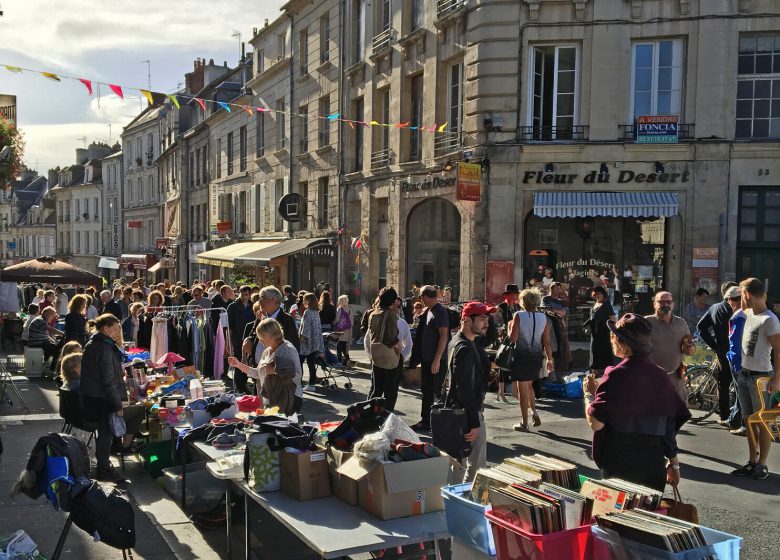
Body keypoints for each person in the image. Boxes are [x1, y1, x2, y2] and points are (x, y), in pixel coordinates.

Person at [584, 314, 690, 491]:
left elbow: (596, 423)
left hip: (619, 459)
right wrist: (674, 464)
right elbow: (668, 427)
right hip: (652, 460)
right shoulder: (659, 375)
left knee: (616, 515)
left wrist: (589, 395)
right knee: (649, 514)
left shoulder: (616, 375)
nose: (611, 340)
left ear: (621, 343)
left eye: (614, 336)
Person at [731, 278, 780, 480]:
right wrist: (744, 301)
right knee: (748, 420)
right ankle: (752, 460)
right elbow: (736, 315)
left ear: (748, 294)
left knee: (762, 422)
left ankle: (762, 464)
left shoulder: (770, 320)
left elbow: (779, 351)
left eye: (742, 294)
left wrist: (776, 378)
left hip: (761, 377)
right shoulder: (748, 313)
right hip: (743, 374)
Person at [79, 314, 130, 481]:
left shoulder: (94, 343)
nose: (118, 331)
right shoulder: (104, 348)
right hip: (101, 400)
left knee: (105, 434)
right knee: (106, 435)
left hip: (93, 397)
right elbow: (108, 381)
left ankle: (104, 465)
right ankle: (103, 468)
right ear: (106, 328)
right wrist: (118, 405)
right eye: (115, 328)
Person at [448, 301, 494, 481]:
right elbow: (464, 386)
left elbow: (490, 334)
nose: (487, 323)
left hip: (462, 411)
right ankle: (466, 502)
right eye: (483, 319)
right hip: (467, 413)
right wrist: (474, 421)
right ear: (467, 320)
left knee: (459, 464)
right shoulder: (464, 348)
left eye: (487, 319)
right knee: (476, 467)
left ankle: (455, 500)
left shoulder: (464, 341)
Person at [229, 318, 303, 414]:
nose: (260, 340)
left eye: (262, 336)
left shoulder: (288, 349)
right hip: (271, 401)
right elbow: (257, 373)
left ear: (272, 335)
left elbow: (298, 375)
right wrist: (238, 365)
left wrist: (275, 371)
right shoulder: (267, 351)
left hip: (288, 400)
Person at [509, 288, 553, 432]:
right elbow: (546, 341)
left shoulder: (519, 315)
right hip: (536, 355)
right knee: (529, 386)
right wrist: (550, 359)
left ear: (523, 301)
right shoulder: (544, 318)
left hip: (521, 355)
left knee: (522, 390)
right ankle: (534, 412)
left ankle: (524, 422)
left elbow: (513, 338)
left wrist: (510, 328)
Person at [697, 282, 740, 425]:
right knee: (739, 384)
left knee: (723, 384)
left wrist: (714, 345)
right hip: (737, 352)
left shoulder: (714, 308)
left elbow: (701, 327)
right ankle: (736, 417)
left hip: (722, 351)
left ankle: (724, 414)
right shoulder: (738, 310)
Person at [411, 285, 450, 432]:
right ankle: (426, 421)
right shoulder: (428, 310)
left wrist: (437, 360)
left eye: (421, 297)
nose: (420, 300)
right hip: (428, 360)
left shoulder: (440, 312)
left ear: (426, 296)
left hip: (436, 361)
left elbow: (444, 336)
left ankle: (442, 423)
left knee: (438, 392)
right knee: (426, 391)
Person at [646, 291, 694, 401]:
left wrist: (690, 348)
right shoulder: (646, 322)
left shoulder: (681, 323)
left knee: (677, 414)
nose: (665, 305)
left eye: (668, 302)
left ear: (673, 304)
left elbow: (688, 345)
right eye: (661, 302)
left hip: (675, 379)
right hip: (652, 379)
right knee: (655, 414)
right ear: (654, 304)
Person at [365, 288, 402, 410]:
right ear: (392, 301)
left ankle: (369, 414)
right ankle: (386, 417)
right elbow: (392, 337)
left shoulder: (372, 313)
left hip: (376, 354)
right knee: (390, 392)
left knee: (376, 389)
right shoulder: (391, 315)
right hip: (389, 356)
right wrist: (399, 348)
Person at [227, 286, 256, 394]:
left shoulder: (252, 306)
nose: (244, 296)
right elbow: (229, 326)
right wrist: (228, 341)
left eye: (247, 294)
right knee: (238, 360)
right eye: (243, 294)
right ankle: (239, 386)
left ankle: (244, 383)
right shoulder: (233, 307)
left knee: (248, 360)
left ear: (250, 294)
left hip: (249, 338)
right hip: (237, 338)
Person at [496, 284, 521, 403]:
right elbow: (497, 321)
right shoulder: (502, 307)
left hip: (514, 335)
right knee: (503, 362)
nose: (516, 295)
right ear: (509, 294)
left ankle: (512, 391)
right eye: (515, 293)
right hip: (505, 337)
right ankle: (502, 390)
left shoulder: (517, 306)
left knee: (513, 362)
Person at [258, 286, 300, 351]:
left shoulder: (287, 320)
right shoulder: (261, 317)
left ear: (273, 299)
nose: (259, 301)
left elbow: (293, 346)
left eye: (263, 298)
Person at [586, 285, 617, 376]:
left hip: (603, 332)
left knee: (603, 351)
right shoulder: (595, 303)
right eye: (596, 293)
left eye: (600, 293)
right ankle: (594, 370)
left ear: (603, 294)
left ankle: (605, 371)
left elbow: (613, 319)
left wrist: (614, 332)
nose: (598, 295)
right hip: (595, 333)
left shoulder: (606, 304)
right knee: (594, 350)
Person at [298, 292, 326, 390]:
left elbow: (305, 329)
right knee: (311, 364)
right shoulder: (316, 312)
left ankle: (299, 383)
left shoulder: (307, 312)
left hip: (306, 342)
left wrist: (300, 340)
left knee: (299, 362)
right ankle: (311, 384)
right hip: (315, 342)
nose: (303, 301)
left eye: (304, 300)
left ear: (308, 301)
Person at [334, 295, 353, 365]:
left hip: (341, 331)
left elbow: (337, 320)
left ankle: (339, 362)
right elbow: (351, 323)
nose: (338, 302)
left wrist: (334, 323)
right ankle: (346, 361)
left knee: (339, 347)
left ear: (342, 301)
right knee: (345, 347)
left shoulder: (339, 309)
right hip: (348, 331)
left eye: (339, 301)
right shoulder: (350, 311)